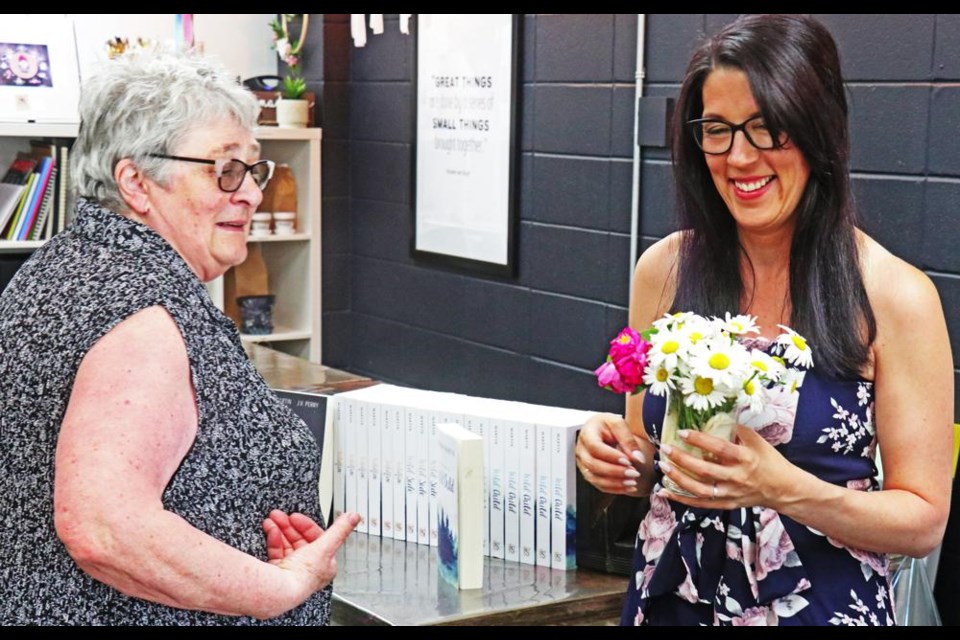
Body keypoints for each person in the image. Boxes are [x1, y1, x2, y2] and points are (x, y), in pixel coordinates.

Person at [575, 14, 953, 626]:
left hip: (818, 608)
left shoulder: (894, 294)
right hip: (671, 598)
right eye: (717, 130)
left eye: (767, 128)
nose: (739, 157)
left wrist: (781, 487)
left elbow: (923, 521)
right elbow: (654, 454)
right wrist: (621, 458)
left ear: (818, 129)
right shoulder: (664, 268)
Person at [0, 52, 359, 625]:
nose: (250, 194)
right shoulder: (137, 310)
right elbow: (103, 528)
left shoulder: (74, 265)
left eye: (252, 169)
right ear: (136, 183)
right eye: (225, 171)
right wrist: (277, 588)